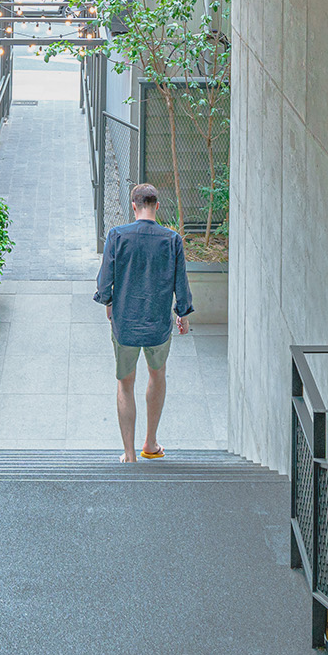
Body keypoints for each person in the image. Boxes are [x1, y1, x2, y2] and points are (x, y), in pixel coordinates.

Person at [94, 183, 193, 462]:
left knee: (125, 383)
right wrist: (182, 313)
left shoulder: (117, 236)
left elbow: (105, 280)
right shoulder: (172, 239)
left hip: (125, 324)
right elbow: (180, 283)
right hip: (158, 326)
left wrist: (108, 302)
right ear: (157, 207)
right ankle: (150, 444)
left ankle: (129, 454)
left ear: (134, 206)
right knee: (157, 375)